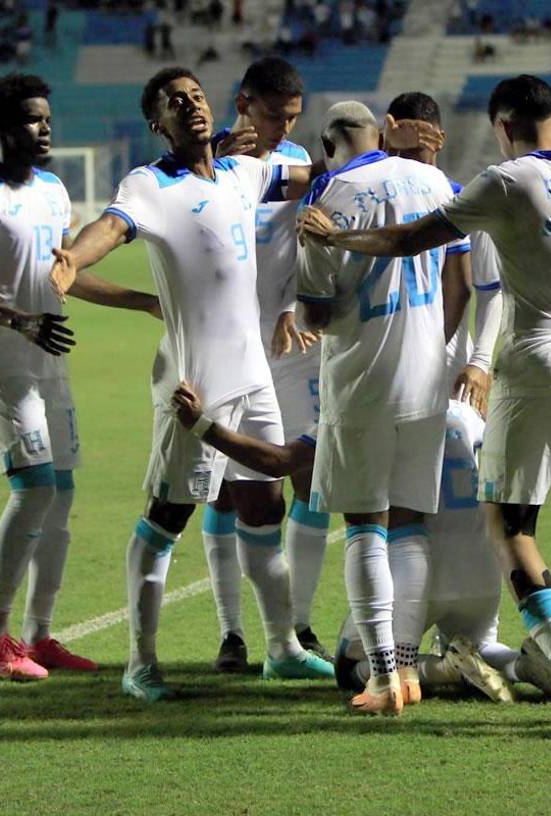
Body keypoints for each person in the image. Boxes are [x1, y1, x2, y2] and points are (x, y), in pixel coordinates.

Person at [297, 74, 551, 732]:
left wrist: (336, 240)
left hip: (538, 369)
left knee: (509, 529)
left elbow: (403, 240)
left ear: (505, 126)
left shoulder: (505, 182)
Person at [49, 68, 442, 702]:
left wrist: (395, 153)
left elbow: (324, 172)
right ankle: (140, 664)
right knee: (166, 517)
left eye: (196, 95)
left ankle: (282, 647)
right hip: (194, 381)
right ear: (158, 123)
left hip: (256, 374)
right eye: (175, 102)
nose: (190, 105)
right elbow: (111, 227)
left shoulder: (245, 173)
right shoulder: (151, 184)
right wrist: (75, 256)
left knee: (266, 506)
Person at [0, 73, 159, 682]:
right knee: (35, 488)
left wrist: (143, 301)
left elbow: (67, 275)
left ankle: (39, 636)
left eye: (46, 118)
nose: (43, 129)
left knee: (62, 494)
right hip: (2, 362)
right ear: (1, 127)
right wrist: (21, 322)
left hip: (49, 360)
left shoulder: (53, 190)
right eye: (30, 120)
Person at [168, 385, 551, 703]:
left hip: (414, 570)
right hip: (480, 566)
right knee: (483, 644)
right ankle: (520, 666)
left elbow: (278, 462)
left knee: (349, 665)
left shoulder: (366, 400)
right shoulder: (473, 413)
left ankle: (440, 669)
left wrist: (203, 425)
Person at [295, 101, 470, 716]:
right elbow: (462, 281)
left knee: (365, 528)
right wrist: (434, 346)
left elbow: (315, 312)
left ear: (329, 141)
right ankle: (408, 667)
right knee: (408, 524)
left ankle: (382, 677)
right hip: (425, 379)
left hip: (362, 380)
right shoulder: (435, 182)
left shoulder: (331, 194)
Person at [199, 57, 331, 670]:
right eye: (275, 115)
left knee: (301, 479)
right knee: (225, 493)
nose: (282, 127)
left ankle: (296, 626)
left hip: (287, 347)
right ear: (244, 102)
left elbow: (316, 208)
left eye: (292, 118)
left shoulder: (294, 163)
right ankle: (232, 634)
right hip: (222, 349)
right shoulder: (204, 164)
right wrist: (216, 158)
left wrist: (291, 303)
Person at [384, 91, 502, 416]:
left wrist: (480, 362)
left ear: (439, 140)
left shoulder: (466, 204)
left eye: (417, 152)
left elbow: (491, 292)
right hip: (384, 362)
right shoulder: (373, 205)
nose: (410, 164)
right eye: (400, 152)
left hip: (448, 369)